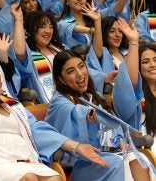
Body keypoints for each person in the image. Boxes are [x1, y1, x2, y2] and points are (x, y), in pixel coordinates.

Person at [0, 56, 110, 181]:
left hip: (22, 159)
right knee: (28, 178)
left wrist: (76, 146)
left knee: (54, 177)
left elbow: (38, 130)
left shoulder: (13, 106)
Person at [46, 46, 150, 181]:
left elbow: (112, 131)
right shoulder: (59, 101)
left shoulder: (94, 96)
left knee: (136, 158)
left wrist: (120, 142)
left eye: (81, 66)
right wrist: (87, 113)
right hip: (78, 164)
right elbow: (71, 112)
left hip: (106, 154)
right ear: (61, 79)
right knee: (116, 162)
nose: (80, 74)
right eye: (71, 71)